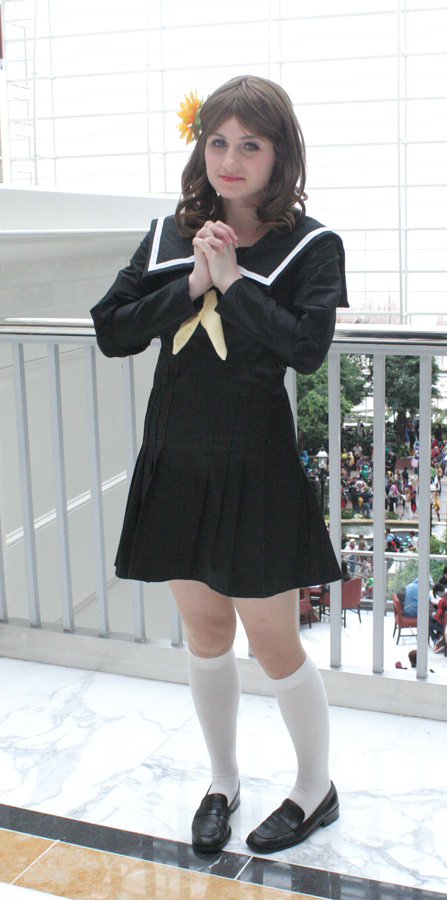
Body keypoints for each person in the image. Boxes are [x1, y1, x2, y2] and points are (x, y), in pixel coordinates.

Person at [90, 75, 347, 855]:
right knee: (204, 633)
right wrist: (194, 281)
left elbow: (304, 347)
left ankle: (314, 788)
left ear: (279, 155)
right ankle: (222, 780)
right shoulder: (170, 235)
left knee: (272, 642)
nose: (230, 159)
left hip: (253, 464)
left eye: (250, 145)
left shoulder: (311, 246)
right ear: (201, 147)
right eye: (218, 141)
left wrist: (231, 280)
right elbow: (112, 330)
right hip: (175, 459)